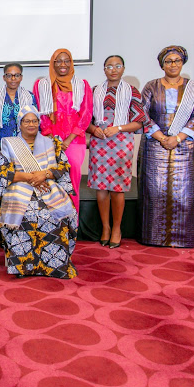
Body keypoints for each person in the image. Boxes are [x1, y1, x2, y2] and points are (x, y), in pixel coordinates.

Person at [0, 106, 78, 278]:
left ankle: (56, 266)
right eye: (27, 121)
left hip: (47, 186)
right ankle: (24, 267)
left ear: (39, 123)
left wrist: (45, 174)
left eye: (34, 121)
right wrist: (28, 177)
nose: (31, 124)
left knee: (55, 213)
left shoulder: (52, 142)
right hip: (19, 186)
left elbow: (63, 166)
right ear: (20, 124)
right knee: (26, 213)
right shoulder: (9, 143)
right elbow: (3, 170)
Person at [139, 46, 194, 248]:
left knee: (182, 192)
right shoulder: (151, 86)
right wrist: (161, 137)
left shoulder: (193, 88)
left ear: (182, 62)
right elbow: (142, 113)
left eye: (177, 61)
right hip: (154, 144)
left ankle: (183, 238)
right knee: (154, 191)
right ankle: (152, 237)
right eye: (169, 61)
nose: (173, 64)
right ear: (162, 64)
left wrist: (177, 137)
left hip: (183, 144)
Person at [86, 56, 146, 248]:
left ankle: (117, 228)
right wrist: (93, 129)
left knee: (117, 188)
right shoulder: (94, 91)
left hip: (121, 142)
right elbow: (85, 119)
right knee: (101, 188)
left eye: (117, 66)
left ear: (123, 68)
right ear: (104, 69)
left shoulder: (132, 91)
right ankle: (105, 227)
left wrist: (118, 128)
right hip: (100, 141)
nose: (113, 69)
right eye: (109, 66)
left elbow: (139, 121)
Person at [33, 49, 93, 212]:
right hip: (50, 141)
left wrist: (67, 140)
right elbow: (42, 116)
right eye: (58, 61)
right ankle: (54, 228)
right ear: (53, 63)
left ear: (71, 62)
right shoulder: (42, 85)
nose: (63, 64)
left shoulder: (82, 85)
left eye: (66, 60)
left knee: (72, 182)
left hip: (74, 141)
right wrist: (55, 139)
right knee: (51, 182)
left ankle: (71, 225)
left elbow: (86, 114)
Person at [0, 63, 37, 169]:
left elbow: (36, 124)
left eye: (17, 75)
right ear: (4, 77)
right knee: (5, 181)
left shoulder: (30, 97)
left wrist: (36, 148)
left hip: (25, 147)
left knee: (25, 181)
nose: (13, 79)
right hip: (2, 148)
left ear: (21, 77)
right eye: (9, 75)